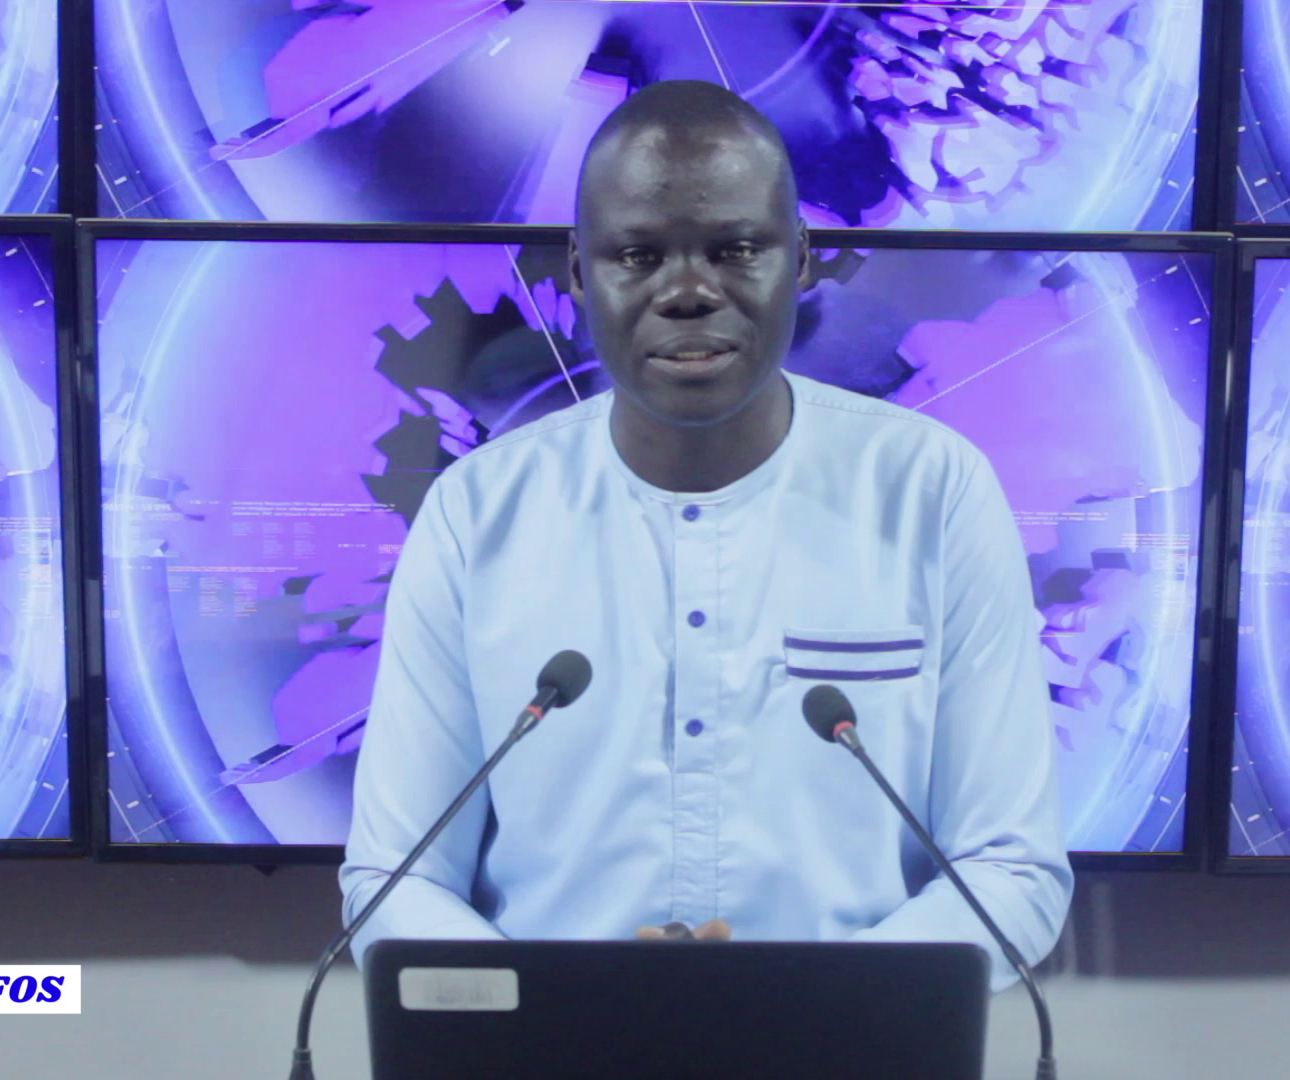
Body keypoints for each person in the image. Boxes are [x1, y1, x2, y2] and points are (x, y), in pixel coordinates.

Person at [339, 80, 1072, 989]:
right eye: (637, 255)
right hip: (553, 1047)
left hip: (848, 1045)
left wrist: (810, 1012)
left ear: (802, 259)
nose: (687, 292)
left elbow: (1010, 868)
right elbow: (395, 879)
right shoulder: (476, 513)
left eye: (736, 250)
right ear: (579, 272)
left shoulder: (933, 491)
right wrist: (557, 1014)